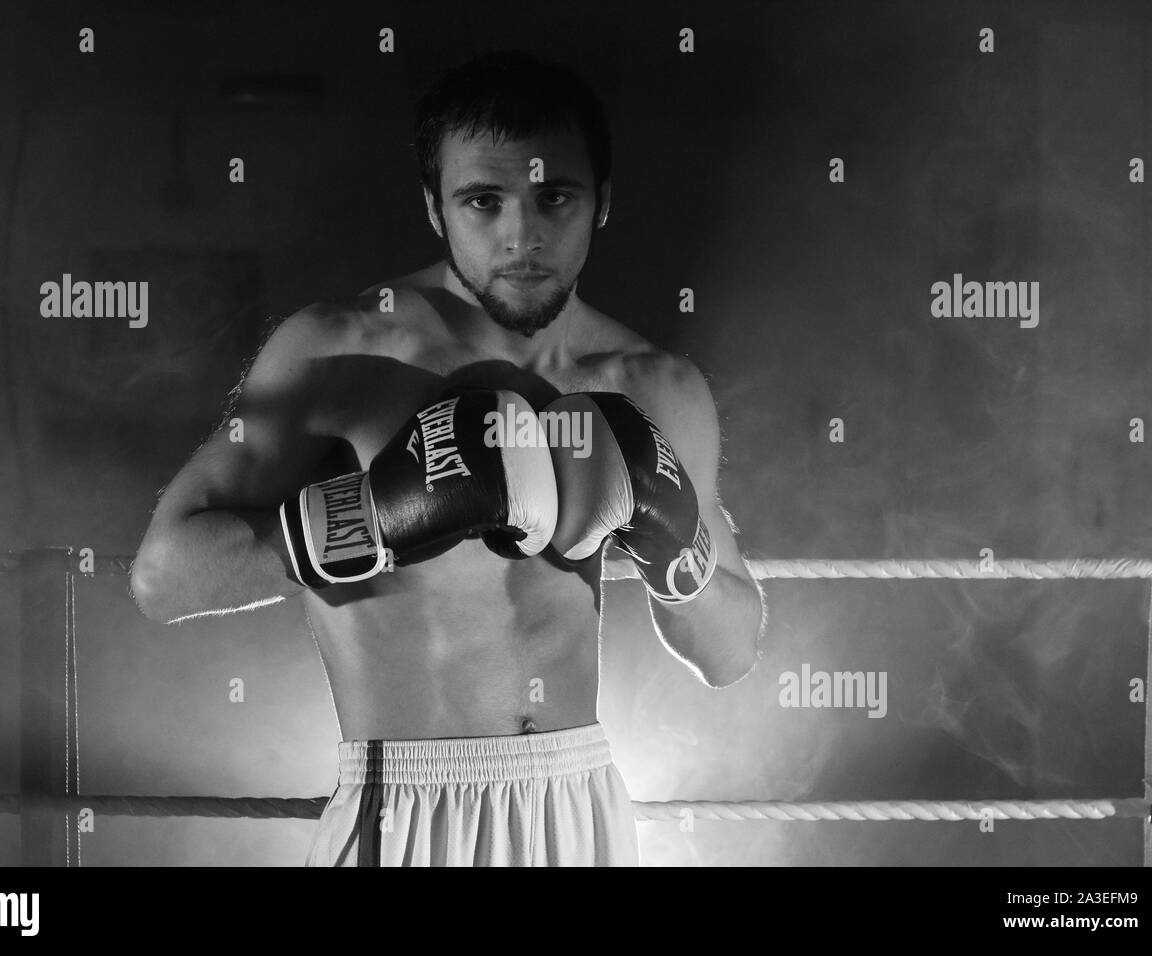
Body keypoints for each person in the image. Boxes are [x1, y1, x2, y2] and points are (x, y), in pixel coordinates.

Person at [130, 49, 764, 866]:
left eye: (554, 197)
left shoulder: (657, 390)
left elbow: (731, 651)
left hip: (578, 808)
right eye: (483, 201)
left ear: (602, 203)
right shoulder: (338, 354)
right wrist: (378, 512)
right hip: (404, 805)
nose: (521, 234)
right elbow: (162, 579)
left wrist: (675, 533)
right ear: (435, 209)